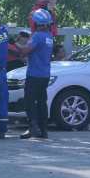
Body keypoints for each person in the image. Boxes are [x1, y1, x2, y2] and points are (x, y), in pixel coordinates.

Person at [16, 9, 54, 139]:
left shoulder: (38, 36)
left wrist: (15, 44)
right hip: (45, 74)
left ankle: (33, 127)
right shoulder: (49, 36)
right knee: (42, 102)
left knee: (30, 102)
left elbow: (26, 50)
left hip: (34, 74)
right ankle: (43, 130)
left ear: (37, 22)